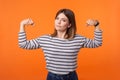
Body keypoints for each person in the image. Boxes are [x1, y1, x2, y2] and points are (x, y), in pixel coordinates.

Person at [18, 8, 102, 80]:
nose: (58, 22)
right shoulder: (45, 39)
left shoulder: (77, 39)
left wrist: (96, 25)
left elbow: (97, 43)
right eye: (57, 18)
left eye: (63, 20)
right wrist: (22, 25)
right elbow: (24, 44)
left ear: (69, 24)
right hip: (52, 77)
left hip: (71, 77)